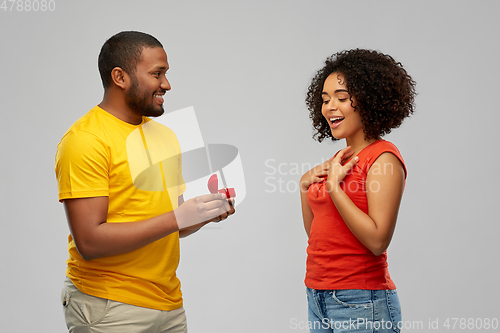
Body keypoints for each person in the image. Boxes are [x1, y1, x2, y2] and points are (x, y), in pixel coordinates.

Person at [55, 31, 235, 333]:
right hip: (109, 306)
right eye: (157, 73)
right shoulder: (85, 141)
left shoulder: (166, 135)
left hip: (169, 304)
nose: (166, 84)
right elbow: (89, 242)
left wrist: (203, 213)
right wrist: (178, 217)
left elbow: (168, 223)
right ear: (120, 77)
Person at [300, 49, 416, 333]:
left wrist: (335, 190)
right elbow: (319, 235)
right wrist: (304, 188)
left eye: (341, 98)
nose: (329, 107)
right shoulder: (339, 161)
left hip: (361, 300)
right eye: (325, 100)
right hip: (318, 294)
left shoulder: (384, 158)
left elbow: (377, 241)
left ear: (369, 100)